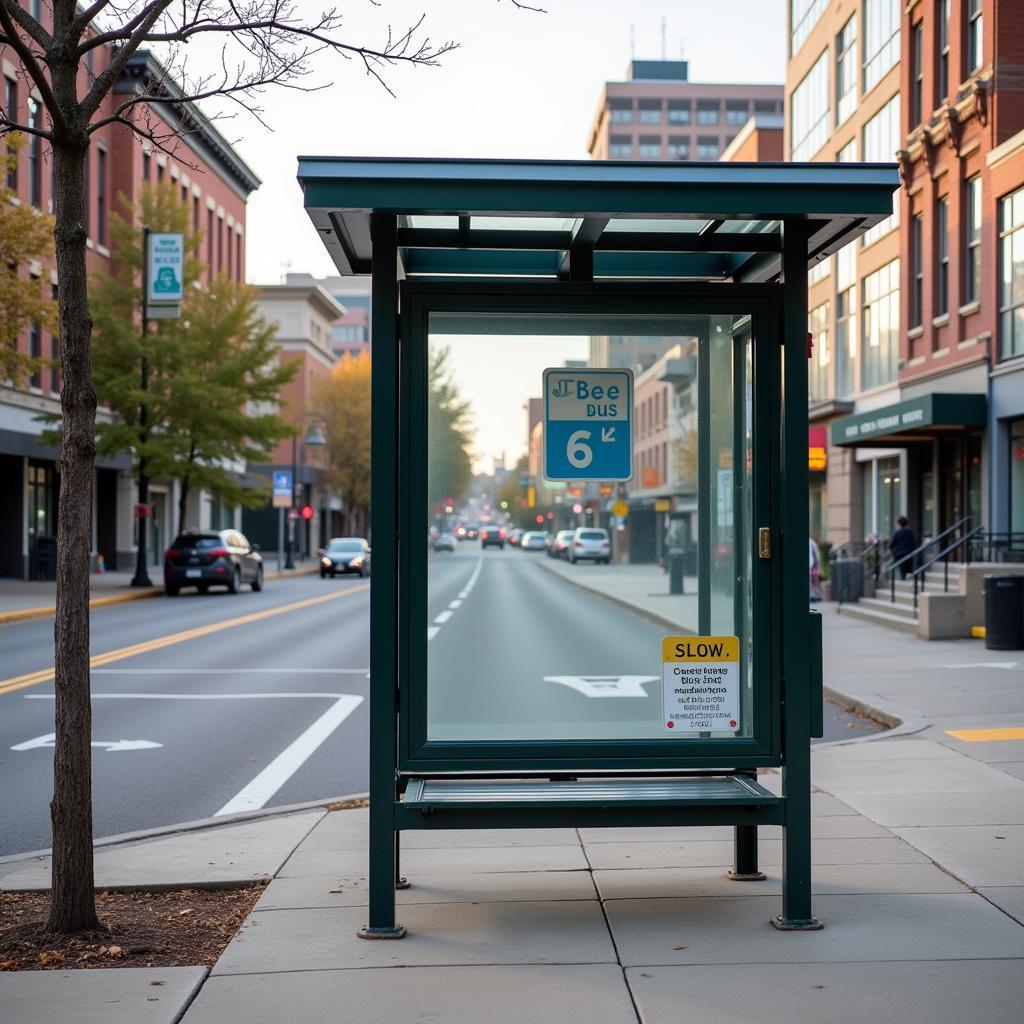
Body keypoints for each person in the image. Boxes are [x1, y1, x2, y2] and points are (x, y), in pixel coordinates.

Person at [809, 536, 822, 603]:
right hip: (811, 564)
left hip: (811, 564)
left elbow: (816, 556)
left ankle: (812, 596)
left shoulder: (811, 542)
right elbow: (817, 556)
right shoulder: (811, 542)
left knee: (812, 581)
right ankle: (811, 596)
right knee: (812, 581)